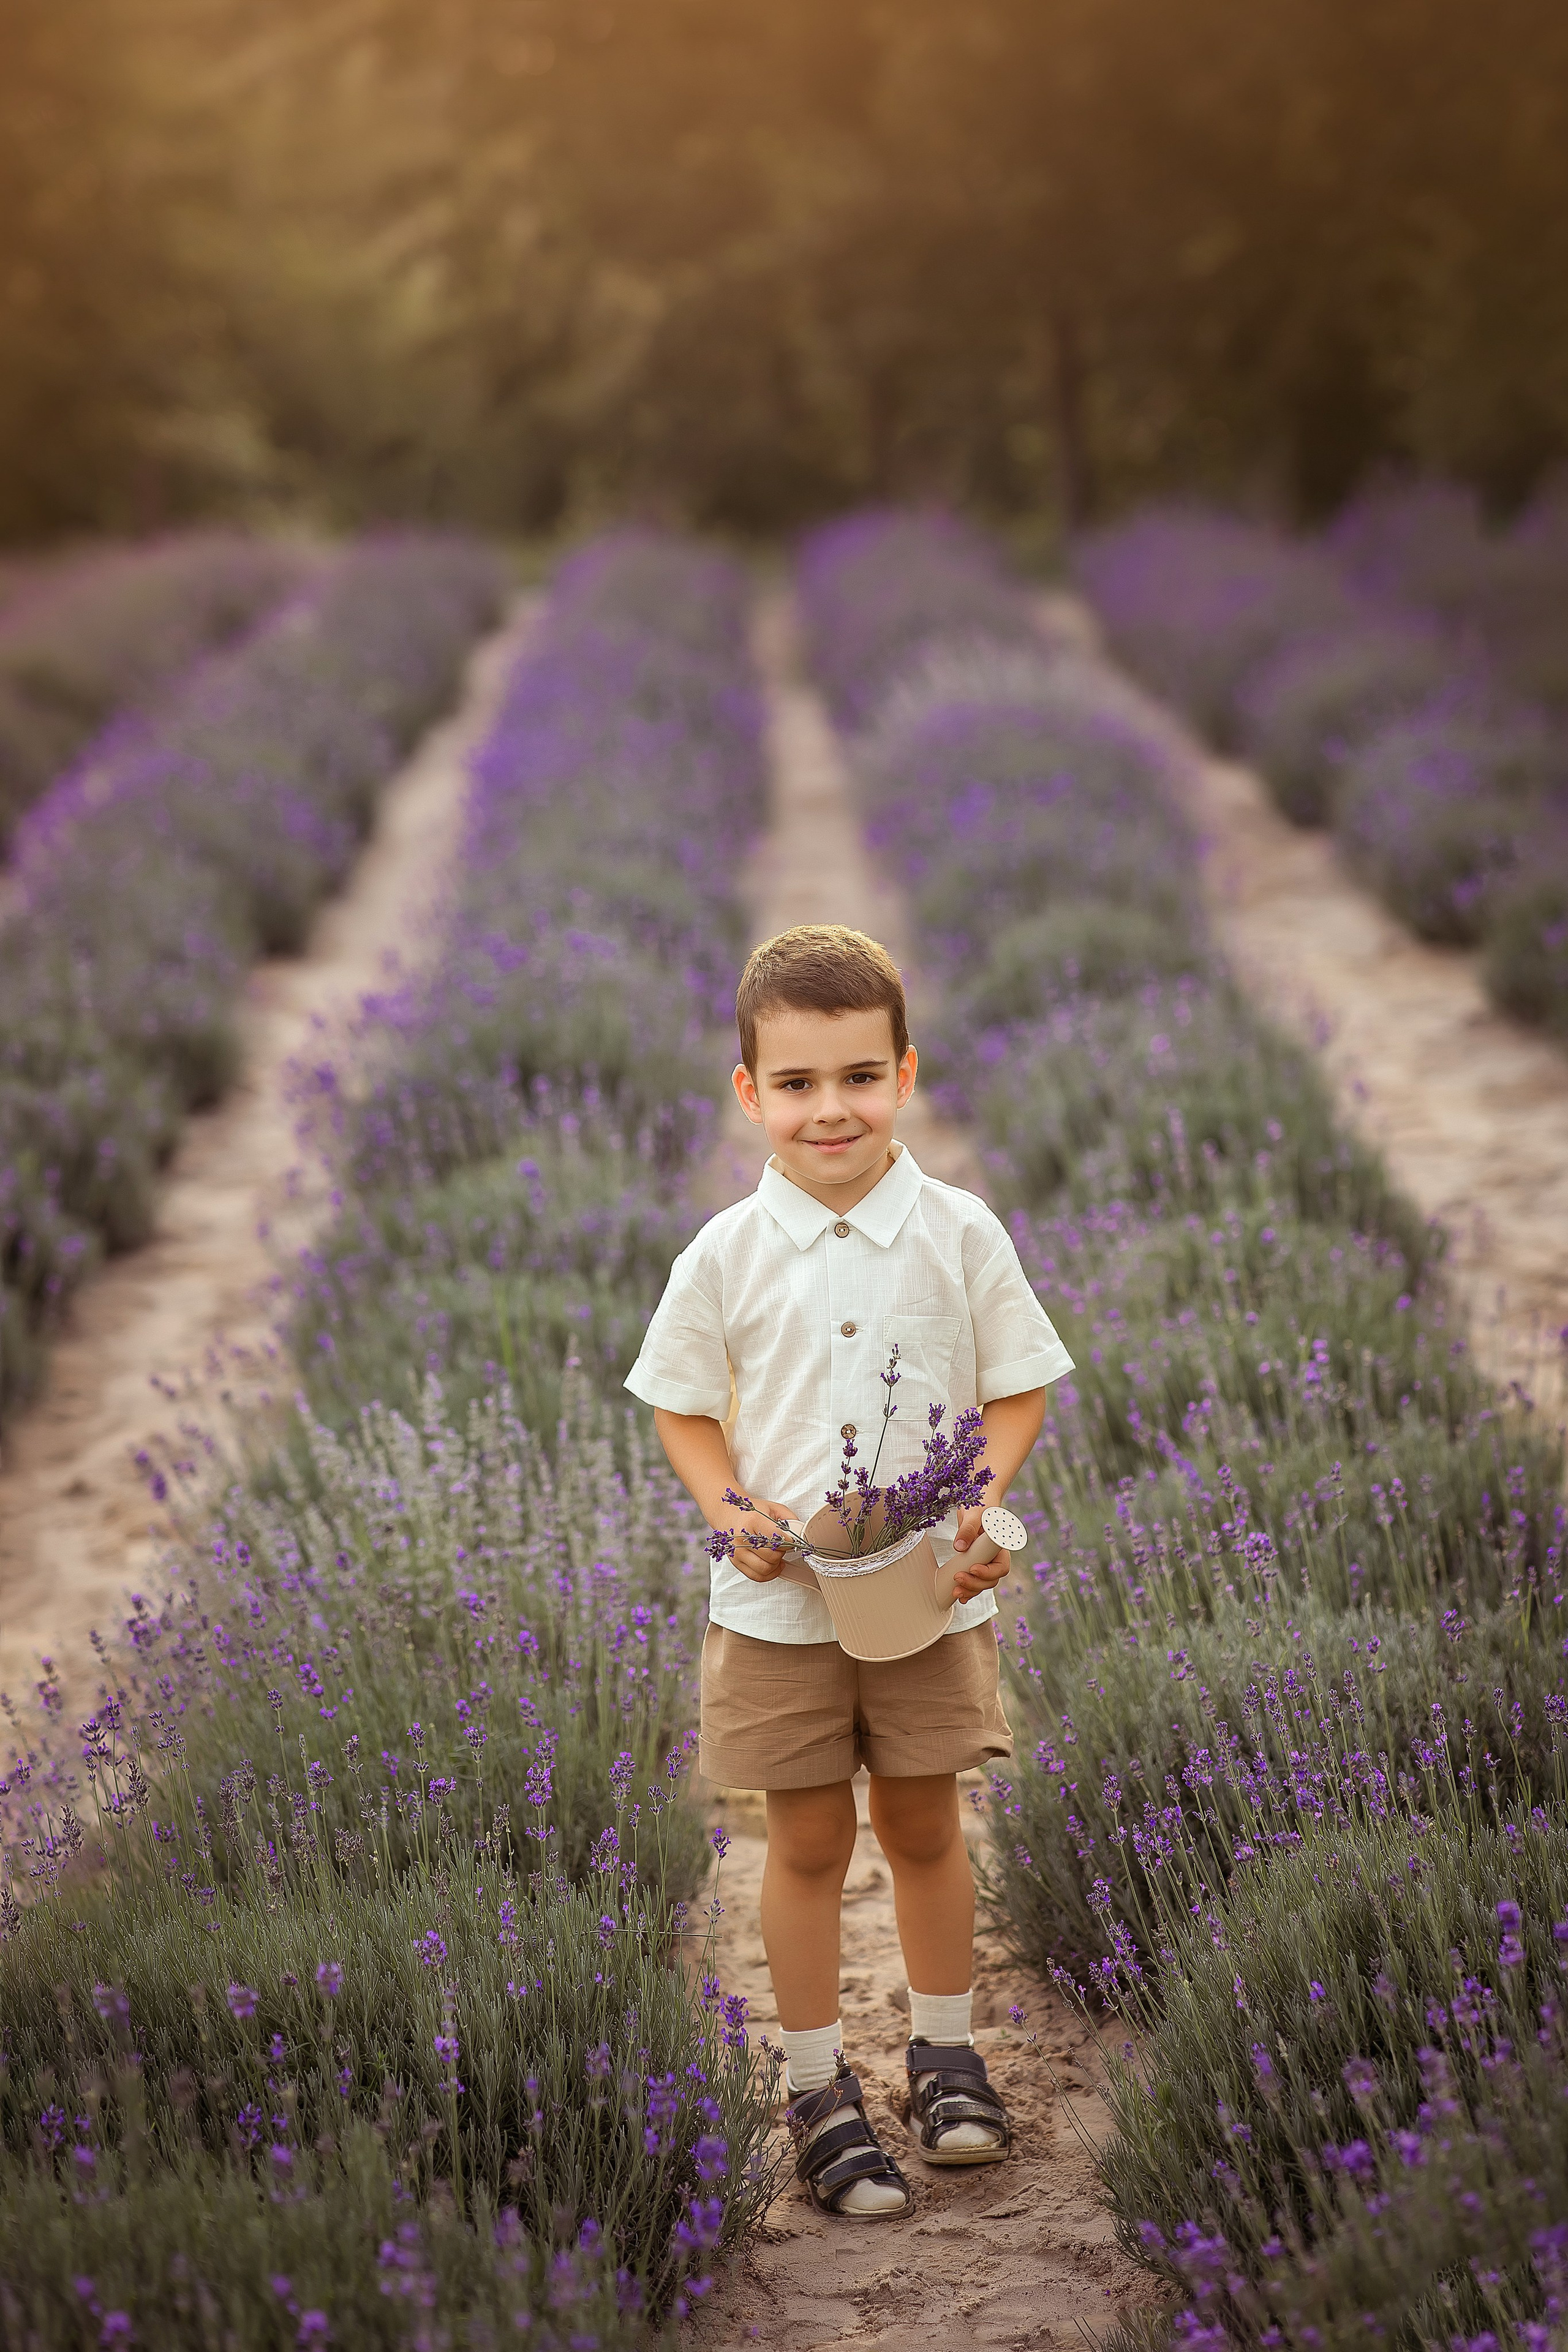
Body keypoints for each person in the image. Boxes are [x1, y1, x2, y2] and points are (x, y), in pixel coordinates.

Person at [625, 924, 1074, 2218]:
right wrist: (729, 1509)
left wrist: (977, 1504)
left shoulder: (958, 1231)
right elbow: (682, 1407)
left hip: (925, 1592)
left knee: (927, 1824)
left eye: (861, 1078)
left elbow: (1018, 1389)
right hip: (776, 1605)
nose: (832, 1108)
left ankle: (946, 2058)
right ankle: (817, 2087)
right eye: (799, 1083)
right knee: (808, 1838)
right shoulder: (722, 1252)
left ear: (906, 1074)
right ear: (748, 1091)